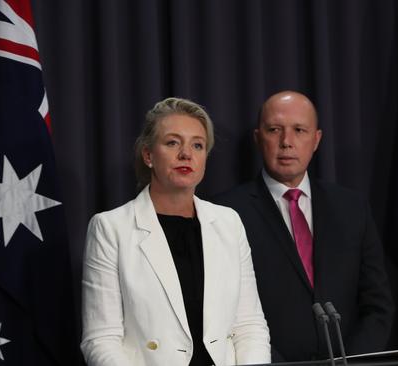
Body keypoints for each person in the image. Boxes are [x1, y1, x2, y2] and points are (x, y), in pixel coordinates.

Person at [80, 97, 270, 366]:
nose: (186, 154)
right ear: (148, 155)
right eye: (172, 142)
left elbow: (250, 326)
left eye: (197, 145)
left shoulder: (228, 223)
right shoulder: (111, 228)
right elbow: (100, 339)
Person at [214, 90, 393, 362]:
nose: (287, 142)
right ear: (258, 137)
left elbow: (378, 305)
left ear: (316, 139)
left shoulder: (352, 207)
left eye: (299, 130)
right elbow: (223, 312)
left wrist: (352, 362)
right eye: (275, 130)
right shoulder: (225, 213)